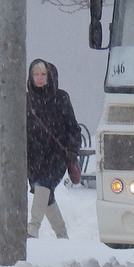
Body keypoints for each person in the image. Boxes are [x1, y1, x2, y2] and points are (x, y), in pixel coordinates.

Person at [26, 59, 81, 239]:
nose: (40, 78)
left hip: (57, 154)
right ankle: (62, 234)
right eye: (36, 74)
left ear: (50, 77)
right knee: (45, 194)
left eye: (43, 74)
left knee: (44, 184)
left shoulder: (61, 97)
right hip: (33, 156)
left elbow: (72, 127)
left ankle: (33, 227)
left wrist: (71, 151)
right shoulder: (26, 99)